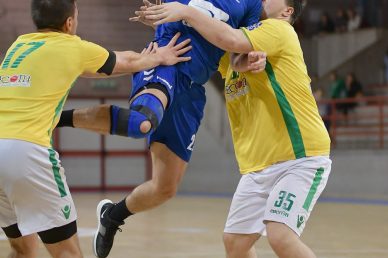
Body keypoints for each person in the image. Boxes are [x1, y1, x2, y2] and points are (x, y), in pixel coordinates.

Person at [57, 0, 264, 257]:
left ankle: (112, 216)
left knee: (164, 189)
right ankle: (55, 118)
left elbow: (236, 55)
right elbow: (159, 9)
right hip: (163, 62)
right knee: (141, 121)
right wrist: (155, 16)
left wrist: (248, 61)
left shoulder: (252, 3)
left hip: (192, 88)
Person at [0, 0, 192, 257]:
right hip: (27, 152)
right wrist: (159, 56)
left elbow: (86, 69)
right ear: (69, 22)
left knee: (21, 248)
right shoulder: (71, 46)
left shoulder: (19, 45)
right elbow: (123, 62)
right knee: (67, 253)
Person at [142, 0, 332, 257]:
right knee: (235, 243)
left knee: (281, 236)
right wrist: (164, 19)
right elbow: (209, 41)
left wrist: (186, 10)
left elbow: (230, 38)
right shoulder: (243, 45)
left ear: (287, 11)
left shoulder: (278, 29)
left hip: (299, 156)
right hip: (257, 166)